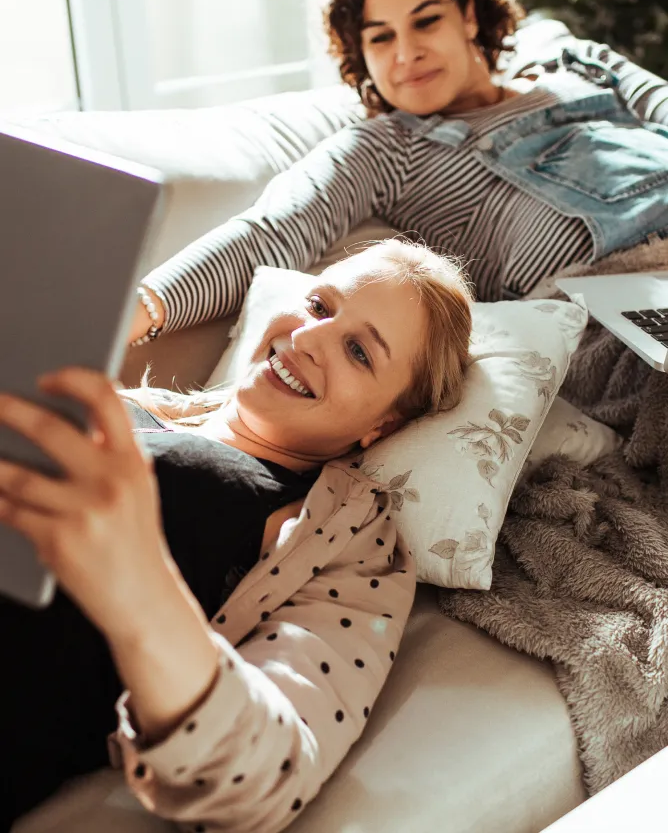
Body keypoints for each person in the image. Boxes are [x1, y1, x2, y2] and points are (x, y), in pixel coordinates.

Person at [0, 239, 472, 832]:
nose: (305, 338)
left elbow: (269, 777)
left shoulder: (343, 543)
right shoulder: (114, 405)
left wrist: (137, 586)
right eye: (320, 306)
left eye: (358, 351)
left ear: (384, 425)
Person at [127, 0, 668, 350]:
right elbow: (269, 233)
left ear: (469, 13)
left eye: (426, 20)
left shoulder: (567, 56)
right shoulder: (386, 150)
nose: (406, 53)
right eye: (380, 36)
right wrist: (141, 308)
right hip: (611, 319)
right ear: (360, 54)